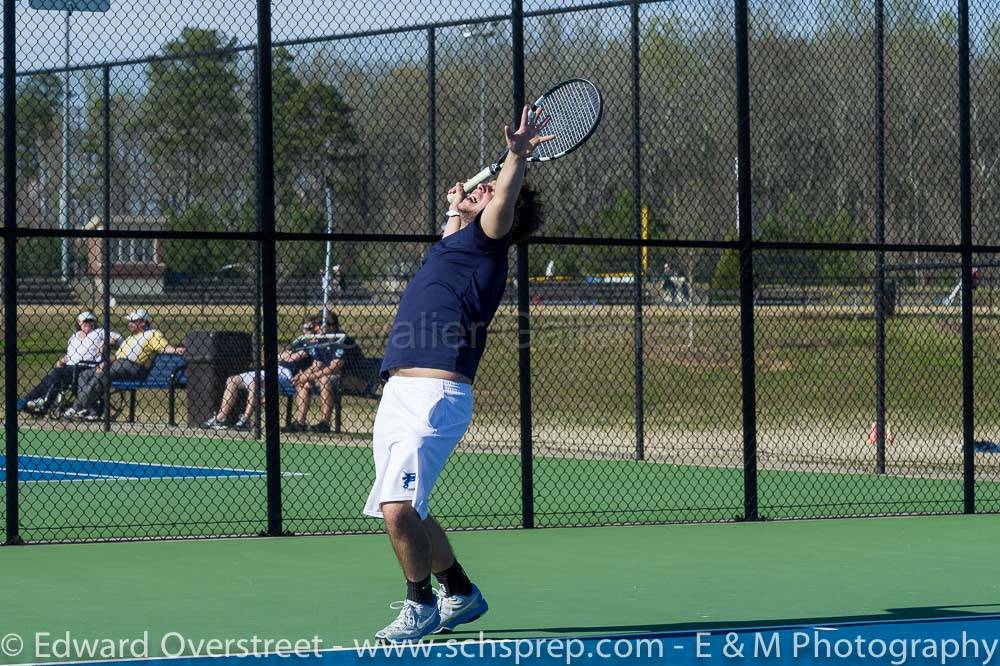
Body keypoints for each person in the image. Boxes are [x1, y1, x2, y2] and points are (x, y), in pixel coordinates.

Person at [365, 106, 551, 643]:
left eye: (488, 191)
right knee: (406, 506)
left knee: (397, 509)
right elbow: (453, 231)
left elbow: (504, 200)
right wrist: (454, 207)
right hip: (398, 390)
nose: (480, 191)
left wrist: (513, 158)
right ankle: (460, 591)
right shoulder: (456, 242)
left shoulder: (490, 242)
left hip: (434, 393)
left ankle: (419, 605)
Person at [201, 313, 324, 431]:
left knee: (256, 381)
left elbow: (296, 357)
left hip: (289, 375)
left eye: (310, 328)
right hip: (272, 369)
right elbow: (283, 355)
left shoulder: (315, 344)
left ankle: (245, 419)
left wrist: (285, 356)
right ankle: (220, 418)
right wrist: (284, 356)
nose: (307, 330)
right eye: (305, 328)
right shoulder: (299, 341)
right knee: (232, 379)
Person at [63, 309, 184, 420]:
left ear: (143, 323)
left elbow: (163, 346)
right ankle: (89, 408)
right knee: (85, 374)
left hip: (134, 367)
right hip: (119, 365)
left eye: (133, 321)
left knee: (103, 374)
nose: (129, 324)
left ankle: (77, 406)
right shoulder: (130, 338)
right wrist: (105, 363)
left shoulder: (152, 334)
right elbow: (117, 356)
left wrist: (174, 350)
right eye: (130, 321)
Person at [18, 311, 123, 416]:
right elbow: (70, 355)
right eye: (85, 321)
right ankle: (43, 405)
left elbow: (120, 339)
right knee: (56, 377)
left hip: (86, 367)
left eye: (90, 321)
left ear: (94, 322)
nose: (88, 323)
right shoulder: (74, 336)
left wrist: (106, 342)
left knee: (57, 373)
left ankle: (32, 399)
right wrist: (62, 360)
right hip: (70, 367)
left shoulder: (99, 332)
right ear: (79, 322)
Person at [284, 313, 364, 434]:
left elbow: (335, 367)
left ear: (335, 326)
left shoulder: (342, 340)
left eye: (329, 324)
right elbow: (317, 363)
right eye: (320, 324)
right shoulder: (321, 341)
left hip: (357, 378)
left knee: (325, 379)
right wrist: (303, 376)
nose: (324, 327)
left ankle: (325, 423)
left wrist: (310, 375)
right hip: (336, 377)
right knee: (304, 381)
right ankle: (301, 422)